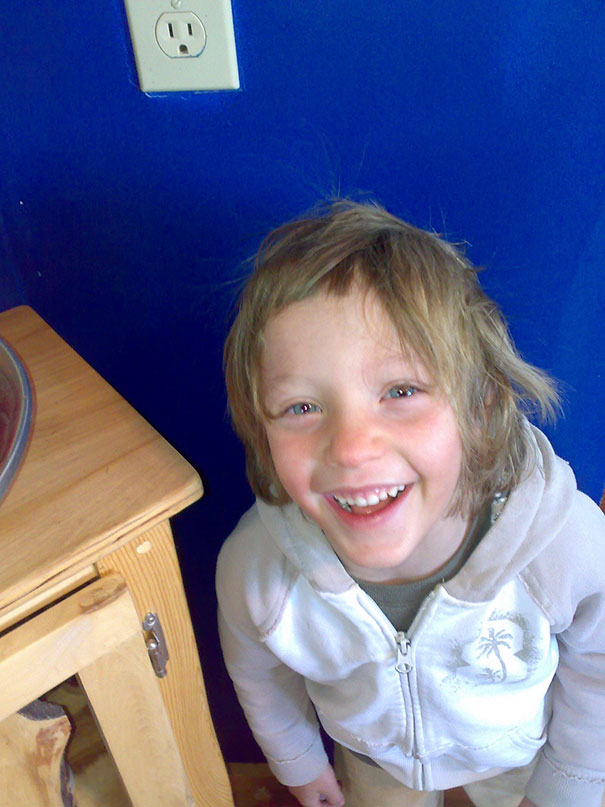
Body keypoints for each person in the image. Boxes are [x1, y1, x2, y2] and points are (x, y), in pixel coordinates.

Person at [217, 200, 605, 807]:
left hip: (516, 756)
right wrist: (298, 762)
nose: (350, 449)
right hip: (374, 760)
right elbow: (258, 674)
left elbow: (598, 666)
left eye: (401, 391)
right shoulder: (257, 570)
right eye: (302, 407)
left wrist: (569, 786)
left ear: (480, 407)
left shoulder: (561, 544)